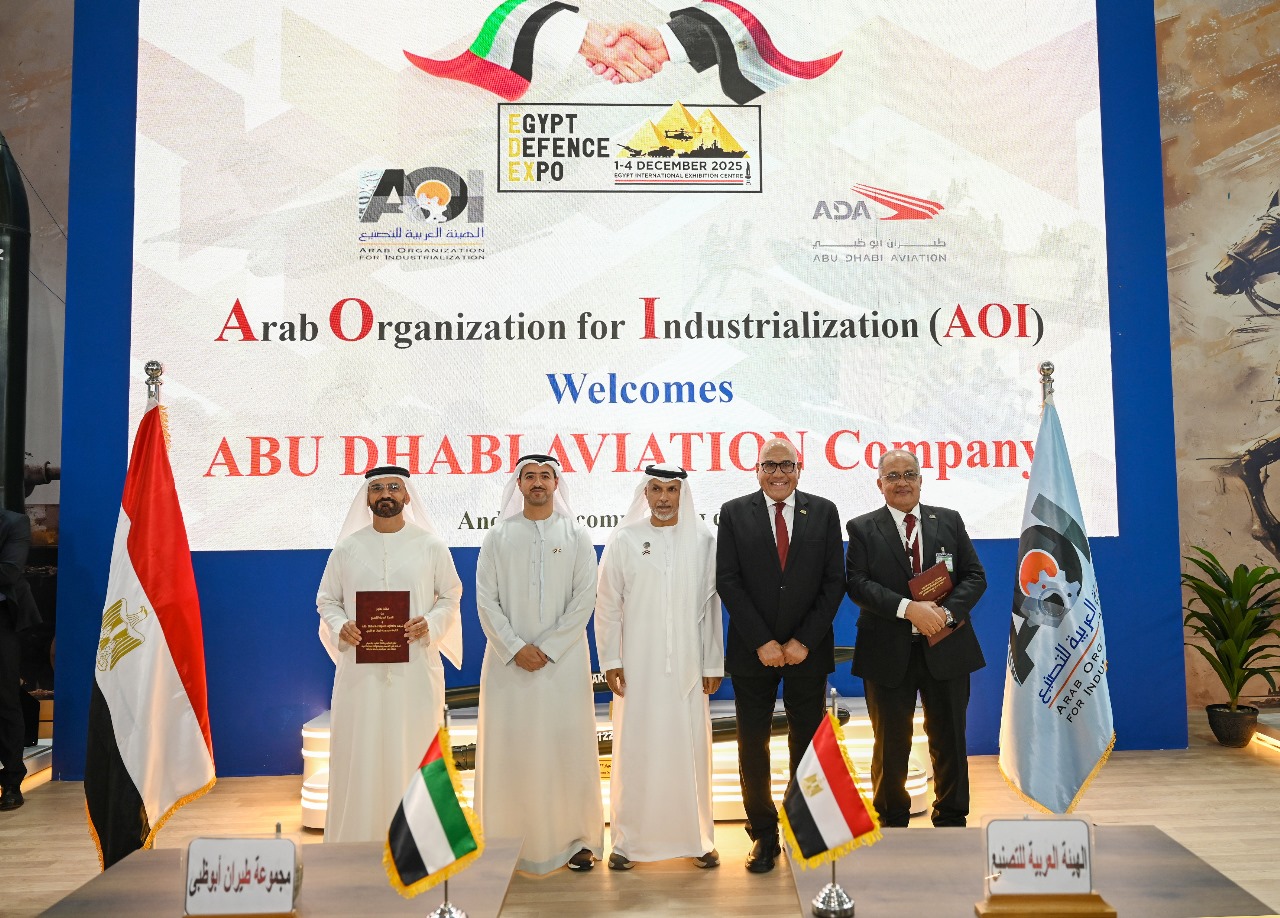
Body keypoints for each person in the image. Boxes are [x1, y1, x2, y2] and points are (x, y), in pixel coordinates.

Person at [716, 438, 845, 873]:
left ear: (799, 469)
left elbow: (834, 581)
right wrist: (762, 641)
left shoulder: (823, 511)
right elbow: (728, 580)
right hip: (753, 650)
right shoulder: (734, 512)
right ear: (756, 470)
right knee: (752, 743)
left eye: (786, 465)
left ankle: (801, 827)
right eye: (769, 465)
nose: (778, 473)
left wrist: (803, 640)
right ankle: (763, 833)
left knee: (807, 741)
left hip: (808, 649)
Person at [316, 466, 463, 843]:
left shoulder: (430, 546)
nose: (386, 494)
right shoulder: (347, 548)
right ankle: (357, 842)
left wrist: (431, 622)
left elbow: (451, 594)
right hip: (360, 675)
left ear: (406, 496)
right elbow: (327, 600)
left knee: (415, 750)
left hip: (414, 669)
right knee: (360, 753)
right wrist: (340, 625)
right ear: (367, 498)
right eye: (377, 488)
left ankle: (417, 844)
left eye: (394, 487)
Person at [474, 454, 603, 874]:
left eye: (545, 476)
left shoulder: (577, 535)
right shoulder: (498, 537)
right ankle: (504, 841)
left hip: (562, 665)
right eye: (529, 476)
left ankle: (575, 841)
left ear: (555, 483)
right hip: (508, 665)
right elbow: (486, 600)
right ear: (519, 484)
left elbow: (585, 598)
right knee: (510, 750)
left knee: (567, 749)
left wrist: (547, 647)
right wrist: (515, 647)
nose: (537, 483)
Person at [845, 449, 986, 828]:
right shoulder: (861, 528)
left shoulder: (949, 521)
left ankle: (952, 819)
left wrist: (944, 614)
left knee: (950, 740)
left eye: (909, 474)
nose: (902, 482)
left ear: (921, 480)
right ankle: (892, 821)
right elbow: (858, 584)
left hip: (947, 647)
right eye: (892, 476)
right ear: (880, 484)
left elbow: (974, 576)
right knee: (890, 744)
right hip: (887, 652)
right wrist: (909, 609)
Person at [596, 465, 723, 870]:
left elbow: (711, 607)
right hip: (639, 665)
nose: (664, 498)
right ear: (645, 494)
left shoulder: (702, 540)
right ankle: (628, 842)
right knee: (637, 748)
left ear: (682, 494)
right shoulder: (626, 539)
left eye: (672, 490)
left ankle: (696, 838)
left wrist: (712, 661)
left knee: (689, 750)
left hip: (688, 666)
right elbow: (607, 604)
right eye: (656, 490)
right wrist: (610, 659)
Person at [0, 509, 38, 811]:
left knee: (5, 698)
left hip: (3, 619)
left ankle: (12, 780)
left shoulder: (13, 522)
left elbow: (8, 573)